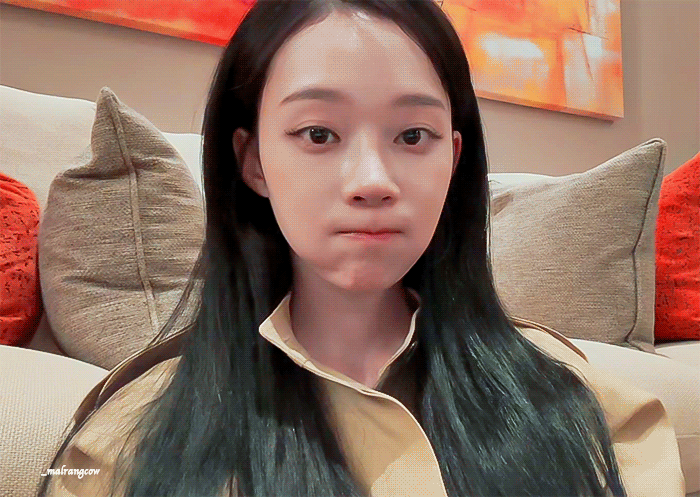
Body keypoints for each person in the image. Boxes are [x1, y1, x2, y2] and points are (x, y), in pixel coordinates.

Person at [39, 1, 685, 496]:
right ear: (253, 160)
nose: (373, 180)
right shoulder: (120, 445)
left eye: (413, 135)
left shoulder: (595, 414)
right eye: (319, 133)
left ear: (454, 159)